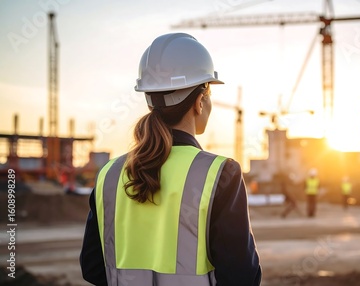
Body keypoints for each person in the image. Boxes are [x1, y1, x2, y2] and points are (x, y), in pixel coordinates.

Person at [80, 33, 261, 286]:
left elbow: (93, 268)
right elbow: (242, 277)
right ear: (200, 101)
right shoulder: (220, 173)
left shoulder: (109, 175)